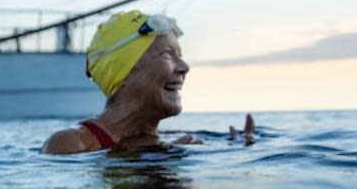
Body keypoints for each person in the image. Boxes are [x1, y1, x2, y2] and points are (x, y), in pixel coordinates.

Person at [42, 10, 255, 154]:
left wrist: (237, 147)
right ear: (123, 73)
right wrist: (154, 160)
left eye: (180, 55)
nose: (184, 67)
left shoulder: (170, 137)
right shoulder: (71, 143)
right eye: (167, 54)